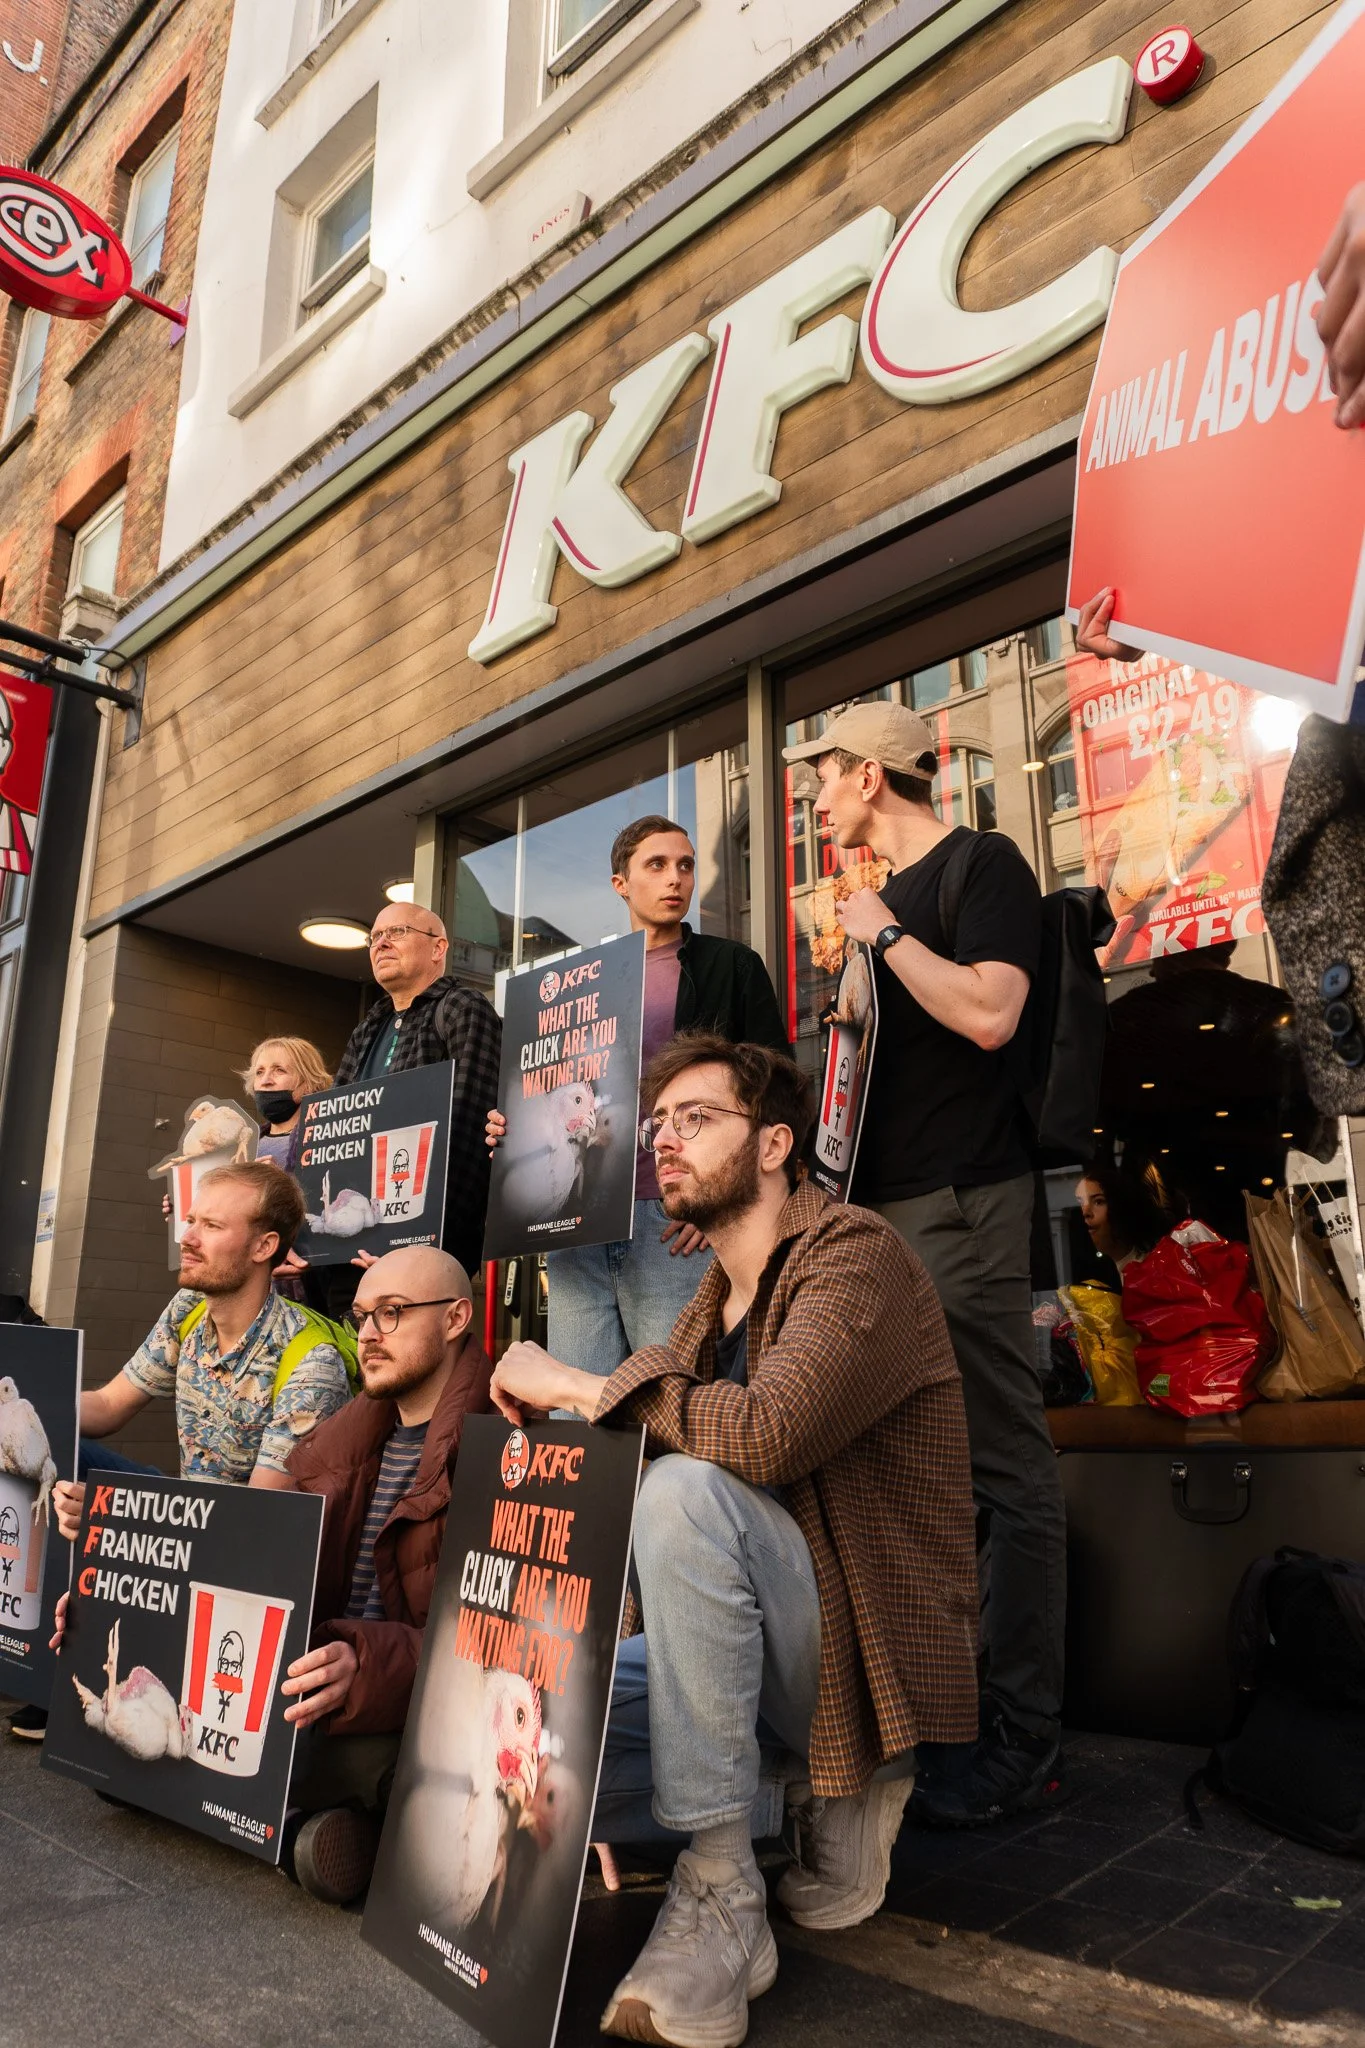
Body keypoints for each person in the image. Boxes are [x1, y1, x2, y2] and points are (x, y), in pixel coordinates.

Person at [489, 1032, 978, 2048]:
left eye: (697, 1118)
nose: (665, 1140)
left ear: (774, 1144)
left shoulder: (854, 1252)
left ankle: (726, 1881)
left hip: (859, 1648)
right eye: (657, 1125)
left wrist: (576, 1383)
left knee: (686, 1492)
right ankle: (786, 1794)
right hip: (764, 1648)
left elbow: (765, 1434)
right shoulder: (709, 1309)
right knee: (530, 1733)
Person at [780, 702, 1065, 1829]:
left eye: (823, 776)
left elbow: (992, 1015)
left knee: (1003, 1463)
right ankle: (942, 1709)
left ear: (869, 775)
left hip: (961, 1201)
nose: (814, 796)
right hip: (877, 1214)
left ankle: (1024, 1730)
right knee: (907, 1469)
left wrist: (887, 935)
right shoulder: (870, 907)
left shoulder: (978, 865)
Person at [487, 815, 788, 1376]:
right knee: (578, 1404)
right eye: (657, 865)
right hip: (580, 1215)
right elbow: (549, 1087)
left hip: (671, 1215)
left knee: (676, 1395)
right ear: (620, 883)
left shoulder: (729, 966)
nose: (676, 878)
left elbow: (774, 1088)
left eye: (686, 865)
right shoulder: (581, 982)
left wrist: (718, 1198)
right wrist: (513, 1128)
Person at [275, 1244, 493, 1904]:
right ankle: (323, 1833)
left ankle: (311, 1826)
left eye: (392, 1313)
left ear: (455, 1318)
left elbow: (494, 1641)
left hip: (416, 1712)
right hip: (328, 1692)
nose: (368, 1333)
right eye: (362, 1315)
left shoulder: (505, 1444)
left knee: (404, 1766)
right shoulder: (338, 1444)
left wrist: (364, 1663)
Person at [54, 1161, 352, 1535]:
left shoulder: (311, 1363)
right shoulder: (189, 1308)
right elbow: (108, 1405)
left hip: (239, 1541)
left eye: (211, 1226)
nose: (188, 1238)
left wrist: (116, 1512)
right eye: (192, 1221)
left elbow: (256, 1521)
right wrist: (25, 1407)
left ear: (264, 1246)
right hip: (185, 1511)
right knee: (32, 1439)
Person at [318, 904, 500, 1289]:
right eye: (374, 937)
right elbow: (337, 1132)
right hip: (351, 1246)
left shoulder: (462, 1007)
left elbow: (468, 1126)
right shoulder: (367, 1029)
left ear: (438, 948)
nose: (381, 943)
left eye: (397, 932)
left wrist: (432, 1242)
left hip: (424, 1244)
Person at [240, 1035, 333, 1167]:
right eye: (259, 1072)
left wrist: (279, 1178)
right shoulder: (243, 1145)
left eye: (279, 1070)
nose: (265, 1081)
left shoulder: (325, 1145)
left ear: (309, 1085)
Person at [1074, 1165, 1169, 1276]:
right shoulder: (1109, 1270)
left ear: (1120, 1208)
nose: (1085, 1213)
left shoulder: (1152, 1270)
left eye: (1098, 1202)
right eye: (1081, 1204)